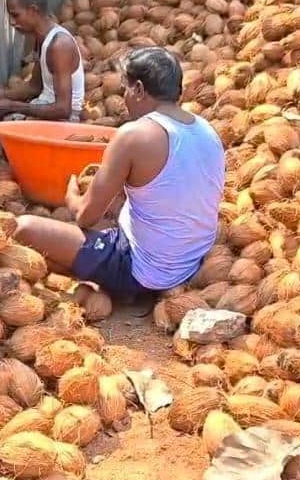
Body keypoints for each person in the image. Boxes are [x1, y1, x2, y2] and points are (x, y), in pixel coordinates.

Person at [13, 47, 226, 301]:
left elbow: (85, 217)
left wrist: (72, 197)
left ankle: (120, 286)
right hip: (193, 263)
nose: (124, 97)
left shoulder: (133, 135)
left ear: (138, 89)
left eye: (125, 88)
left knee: (22, 228)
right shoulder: (207, 129)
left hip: (143, 271)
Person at [0, 0, 85, 124]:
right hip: (46, 110)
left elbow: (63, 109)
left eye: (16, 15)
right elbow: (34, 87)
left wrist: (12, 106)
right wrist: (1, 95)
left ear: (33, 10)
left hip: (63, 122)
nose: (12, 22)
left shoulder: (59, 45)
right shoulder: (42, 39)